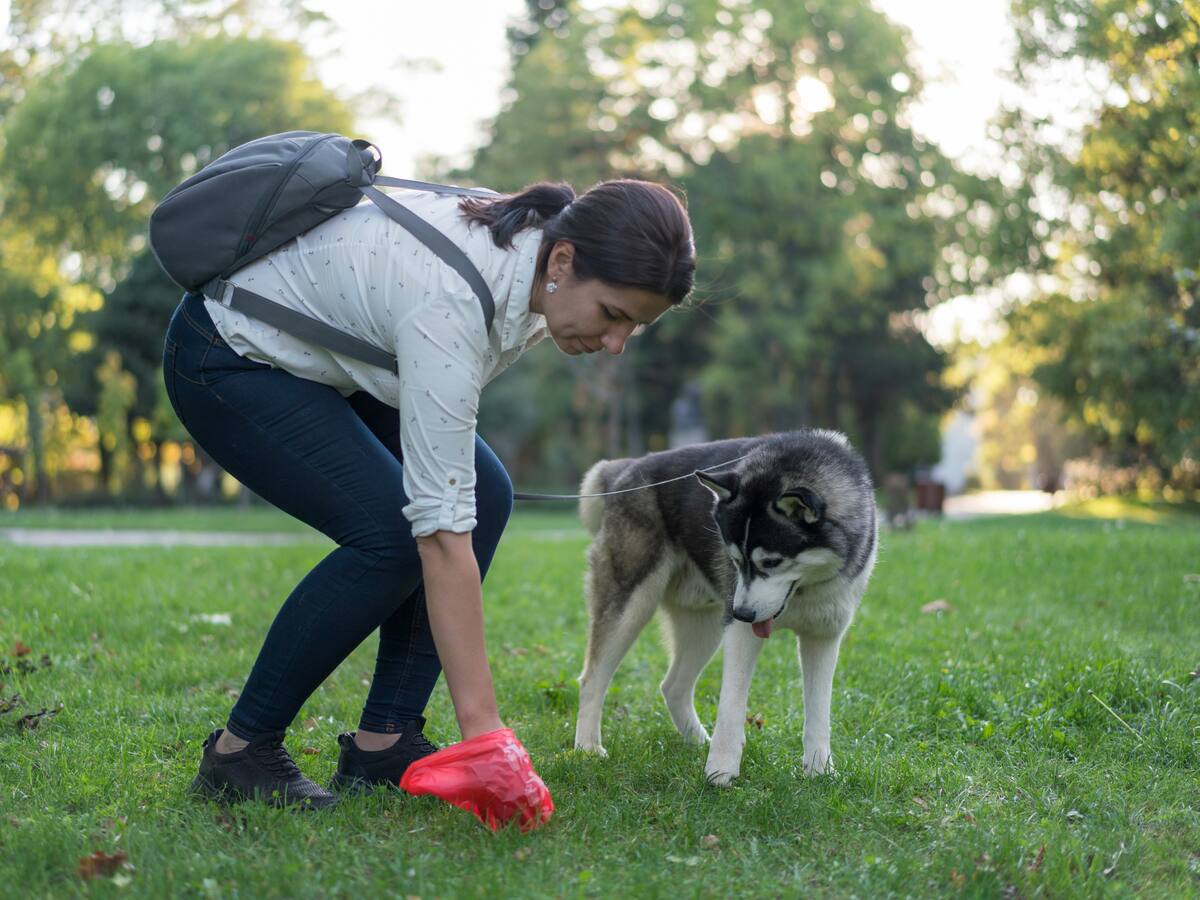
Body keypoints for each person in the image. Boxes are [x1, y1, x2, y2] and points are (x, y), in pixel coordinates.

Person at [163, 177, 696, 808]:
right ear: (562, 261)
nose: (615, 344)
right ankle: (239, 754)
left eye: (634, 327)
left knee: (486, 496)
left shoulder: (532, 264)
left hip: (327, 362)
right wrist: (486, 736)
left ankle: (383, 744)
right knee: (391, 537)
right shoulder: (452, 301)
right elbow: (441, 536)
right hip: (229, 355)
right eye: (613, 315)